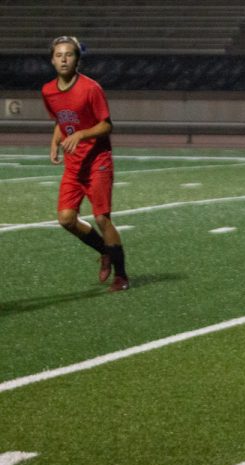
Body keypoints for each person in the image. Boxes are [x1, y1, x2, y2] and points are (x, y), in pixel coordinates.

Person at [42, 35, 129, 292]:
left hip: (97, 161)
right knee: (66, 219)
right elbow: (61, 119)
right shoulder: (48, 90)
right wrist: (55, 142)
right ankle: (105, 252)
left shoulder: (91, 88)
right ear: (52, 60)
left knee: (102, 218)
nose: (64, 59)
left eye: (68, 54)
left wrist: (80, 134)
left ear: (77, 58)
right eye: (58, 55)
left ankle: (122, 276)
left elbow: (106, 125)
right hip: (73, 164)